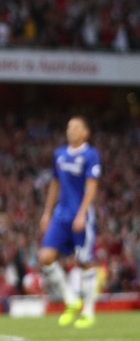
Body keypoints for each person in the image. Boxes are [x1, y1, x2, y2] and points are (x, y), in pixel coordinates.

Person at [38, 116, 101, 329]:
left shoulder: (91, 155)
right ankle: (71, 300)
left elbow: (92, 186)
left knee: (84, 261)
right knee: (46, 256)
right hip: (61, 215)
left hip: (80, 215)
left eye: (75, 127)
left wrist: (83, 213)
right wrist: (47, 212)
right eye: (68, 127)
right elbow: (54, 184)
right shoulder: (60, 155)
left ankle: (89, 311)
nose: (70, 130)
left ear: (85, 133)